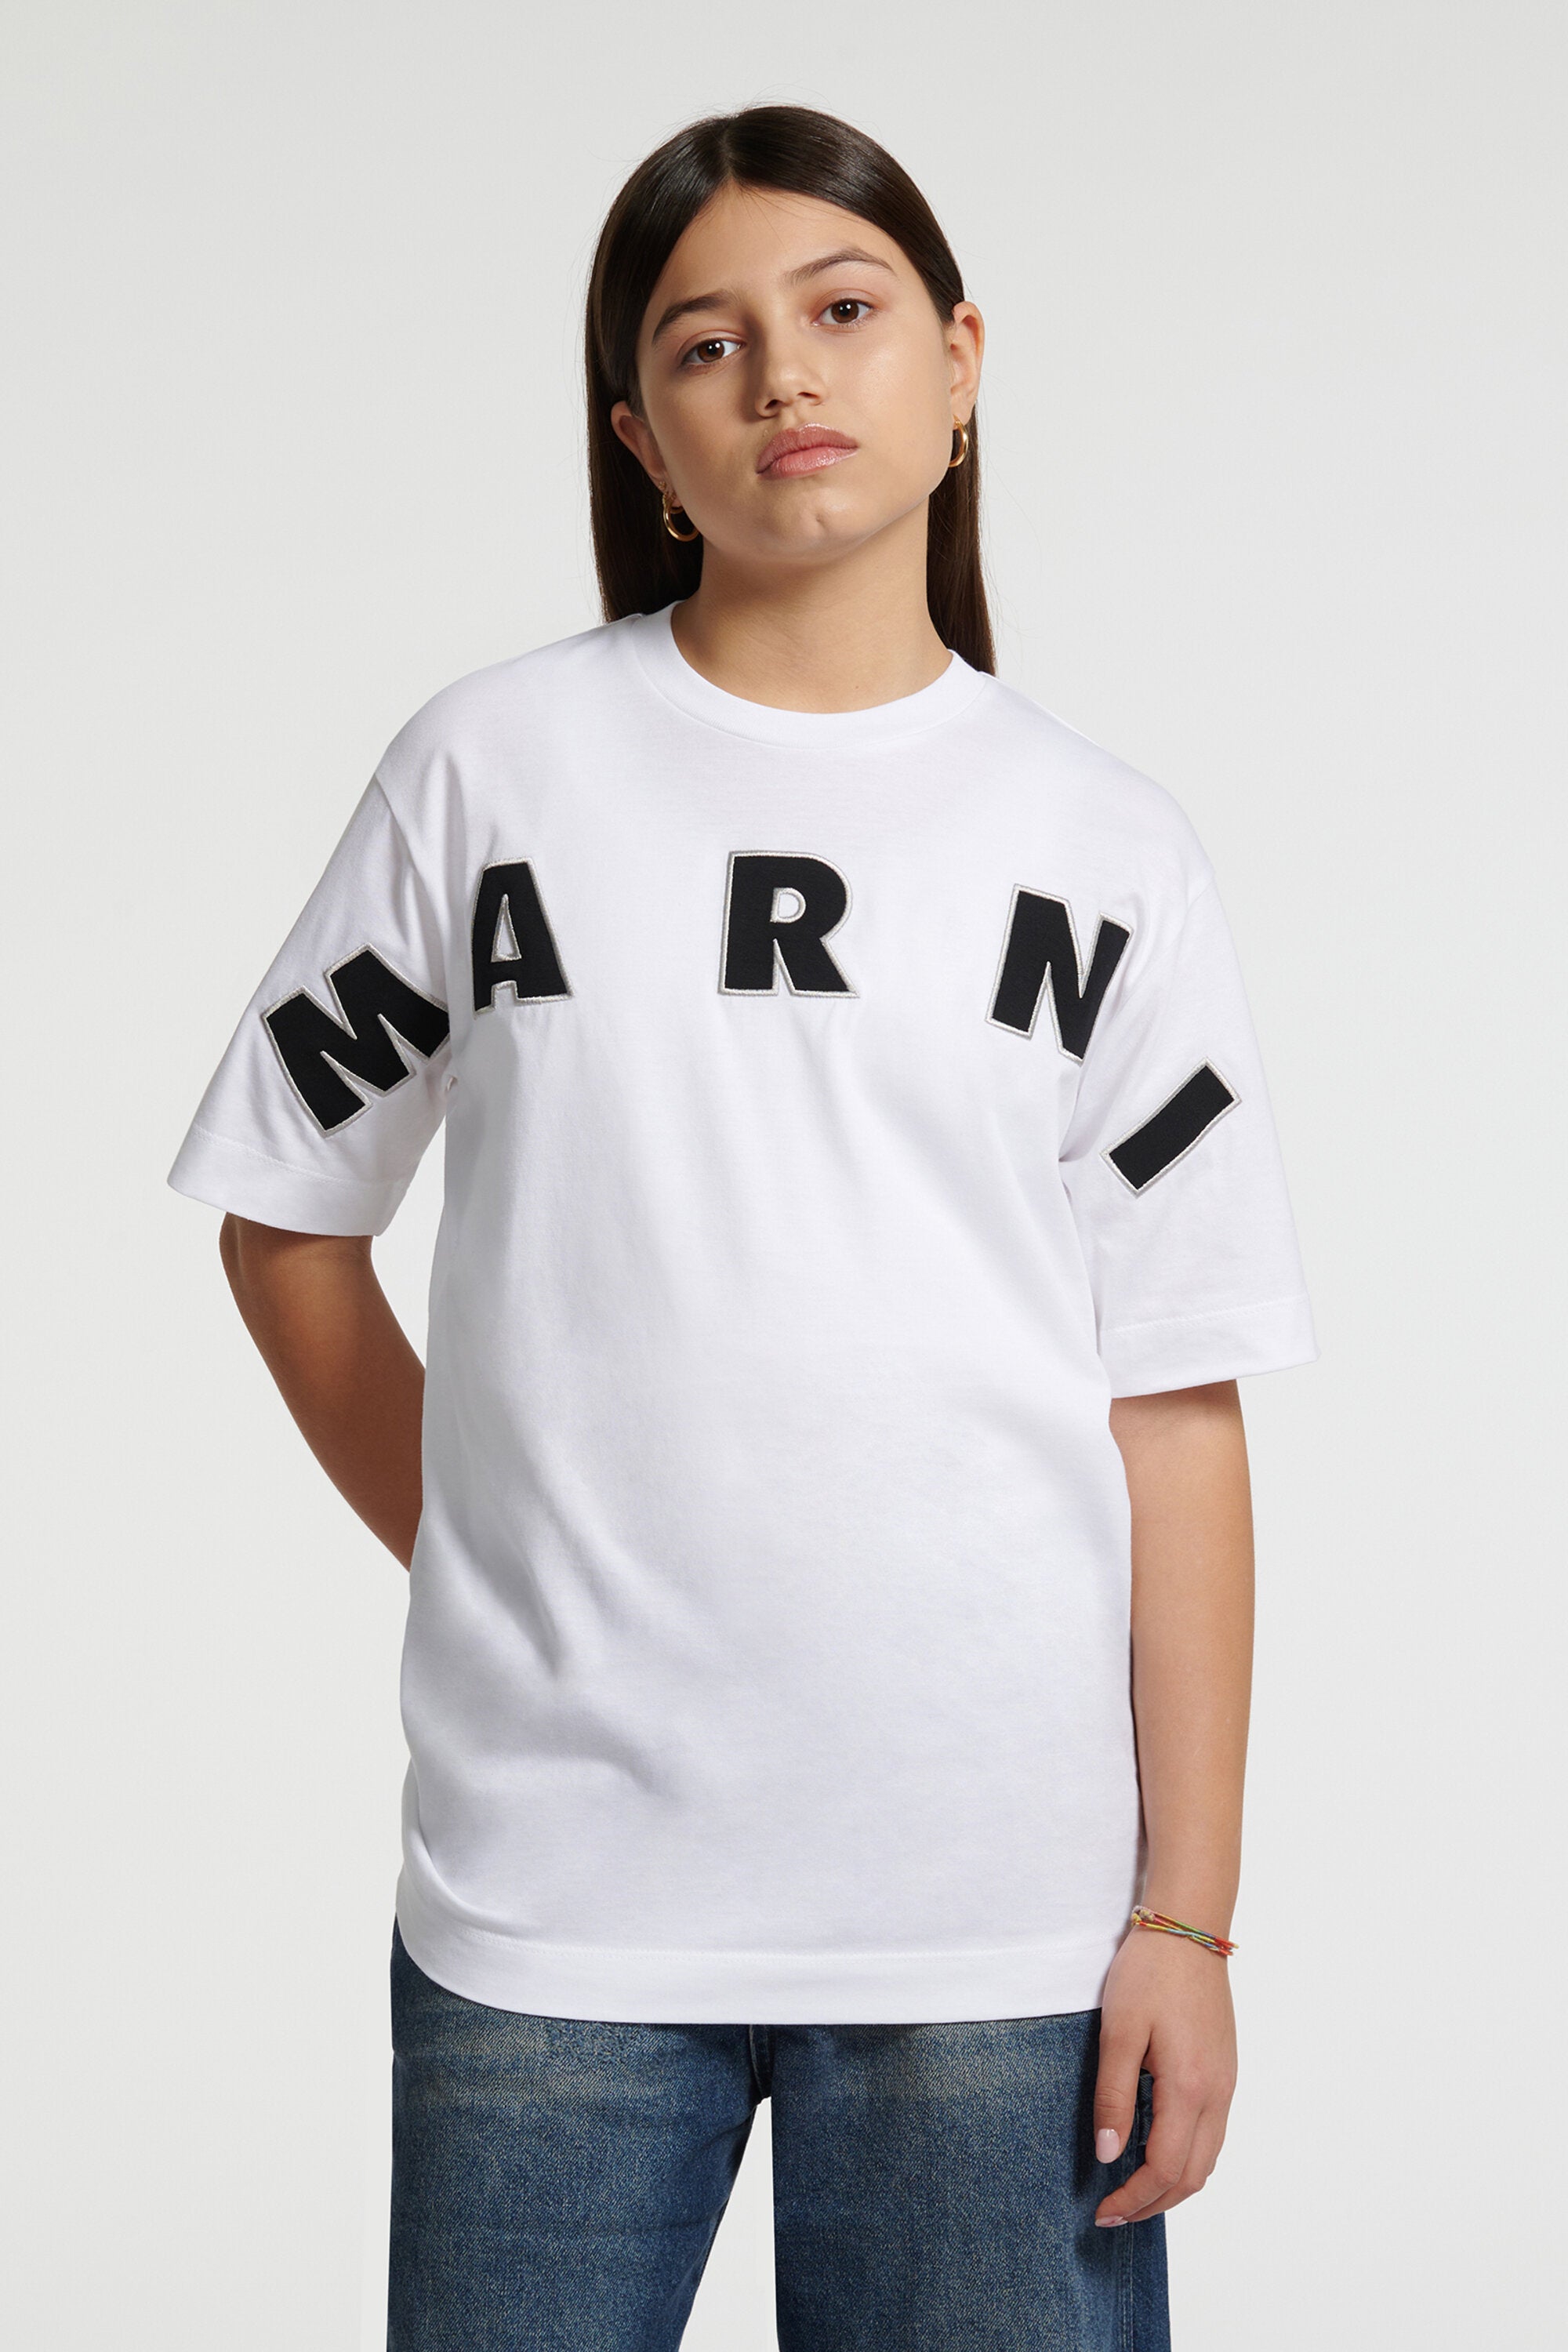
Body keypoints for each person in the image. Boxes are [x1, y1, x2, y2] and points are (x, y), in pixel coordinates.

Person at [166, 103, 1317, 2351]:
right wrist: (497, 1548)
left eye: (844, 309)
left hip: (996, 1918)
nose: (784, 374)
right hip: (552, 1903)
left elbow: (1178, 1408)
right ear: (643, 441)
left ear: (960, 360)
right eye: (704, 344)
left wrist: (1185, 1920)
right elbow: (285, 1224)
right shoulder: (491, 777)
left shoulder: (1105, 852)